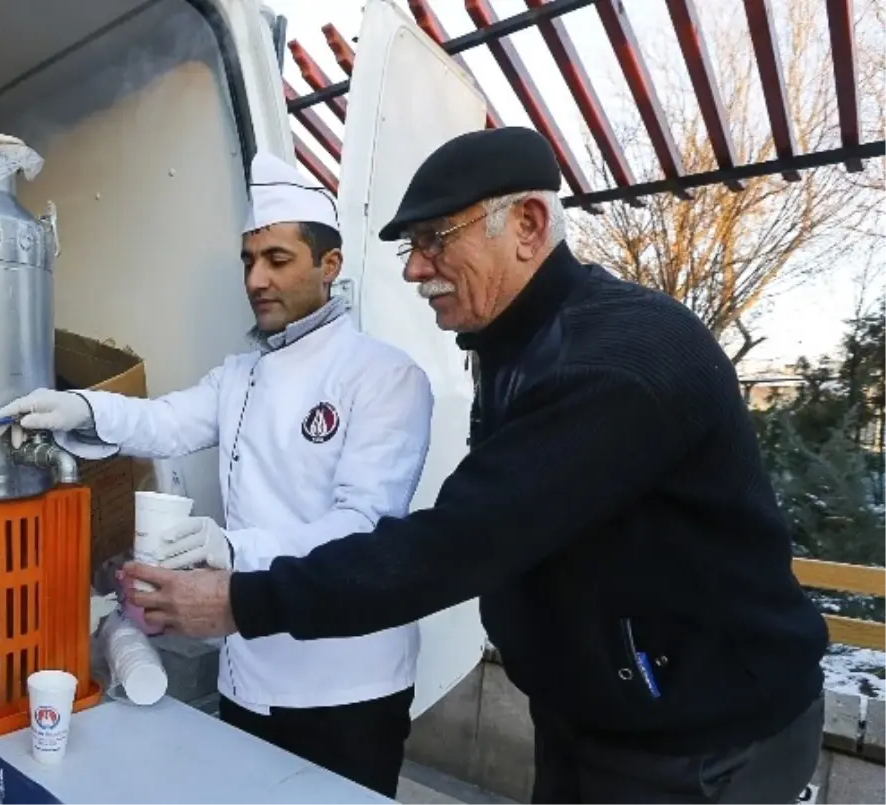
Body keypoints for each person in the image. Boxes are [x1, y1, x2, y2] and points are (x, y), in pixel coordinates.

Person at [123, 128, 831, 805]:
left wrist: (236, 598)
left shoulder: (616, 361)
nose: (413, 268)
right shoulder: (511, 345)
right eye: (410, 246)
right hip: (595, 712)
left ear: (526, 225)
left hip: (706, 740)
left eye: (435, 239)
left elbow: (453, 545)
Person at [0, 152, 435, 798]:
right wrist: (79, 405)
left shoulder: (386, 377)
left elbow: (363, 526)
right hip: (249, 669)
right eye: (249, 261)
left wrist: (232, 549)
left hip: (347, 684)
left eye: (277, 260)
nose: (256, 278)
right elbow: (163, 421)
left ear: (329, 266)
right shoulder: (242, 374)